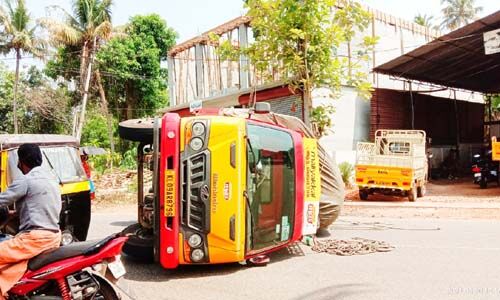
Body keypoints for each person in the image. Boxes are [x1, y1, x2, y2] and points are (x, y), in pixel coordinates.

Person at [0, 144, 61, 299]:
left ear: (21, 161)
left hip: (34, 239)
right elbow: (38, 206)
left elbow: (2, 200)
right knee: (10, 269)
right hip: (53, 237)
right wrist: (13, 213)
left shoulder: (26, 180)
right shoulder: (52, 179)